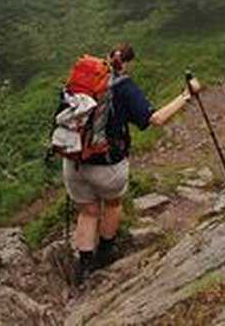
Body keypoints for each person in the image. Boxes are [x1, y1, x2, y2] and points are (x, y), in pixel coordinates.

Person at [61, 42, 199, 285]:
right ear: (128, 63)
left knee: (87, 211)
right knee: (112, 204)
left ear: (107, 57)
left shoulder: (81, 80)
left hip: (74, 162)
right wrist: (186, 96)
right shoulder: (124, 86)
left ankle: (84, 268)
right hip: (108, 165)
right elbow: (154, 119)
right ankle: (105, 251)